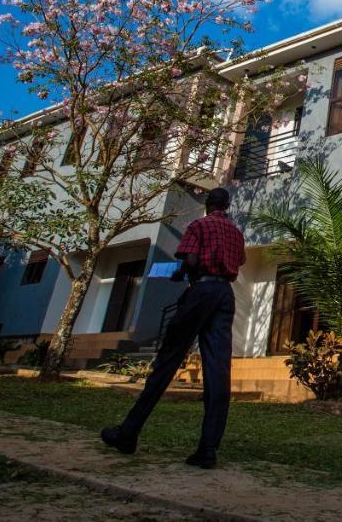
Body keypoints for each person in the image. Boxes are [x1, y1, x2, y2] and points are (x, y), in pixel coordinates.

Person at [100, 186, 244, 468]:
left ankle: (128, 433)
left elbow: (190, 260)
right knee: (218, 370)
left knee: (167, 362)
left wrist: (181, 272)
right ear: (227, 204)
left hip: (200, 290)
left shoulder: (198, 226)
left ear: (207, 203)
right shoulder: (236, 234)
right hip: (225, 295)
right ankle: (207, 449)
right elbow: (238, 261)